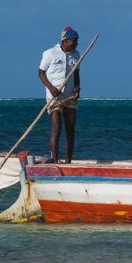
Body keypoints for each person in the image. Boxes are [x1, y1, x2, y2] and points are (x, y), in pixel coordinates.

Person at [38, 26, 82, 163]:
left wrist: (77, 88)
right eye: (74, 41)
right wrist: (51, 88)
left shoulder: (76, 55)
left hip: (69, 97)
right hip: (54, 97)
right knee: (57, 128)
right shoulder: (50, 53)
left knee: (70, 129)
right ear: (65, 41)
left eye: (77, 41)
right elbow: (41, 72)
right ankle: (56, 161)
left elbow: (76, 74)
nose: (76, 43)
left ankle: (68, 161)